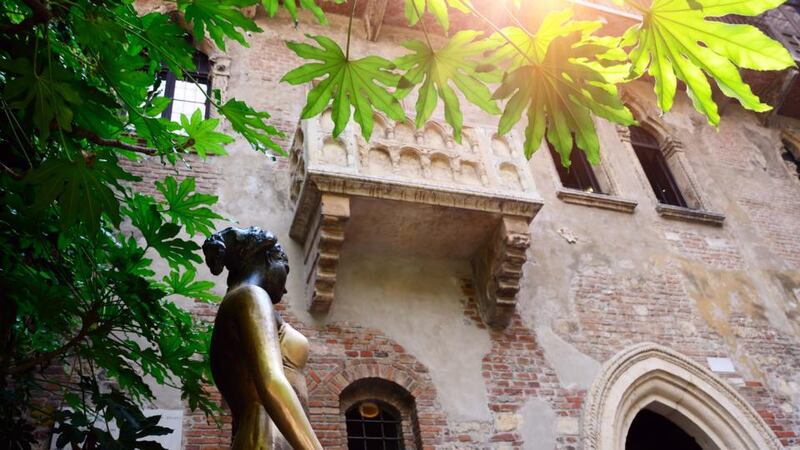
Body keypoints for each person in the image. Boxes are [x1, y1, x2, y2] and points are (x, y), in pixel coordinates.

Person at [203, 226, 322, 450]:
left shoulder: (239, 299)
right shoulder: (250, 296)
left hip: (269, 438)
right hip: (267, 439)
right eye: (285, 268)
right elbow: (272, 381)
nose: (285, 290)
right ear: (269, 259)